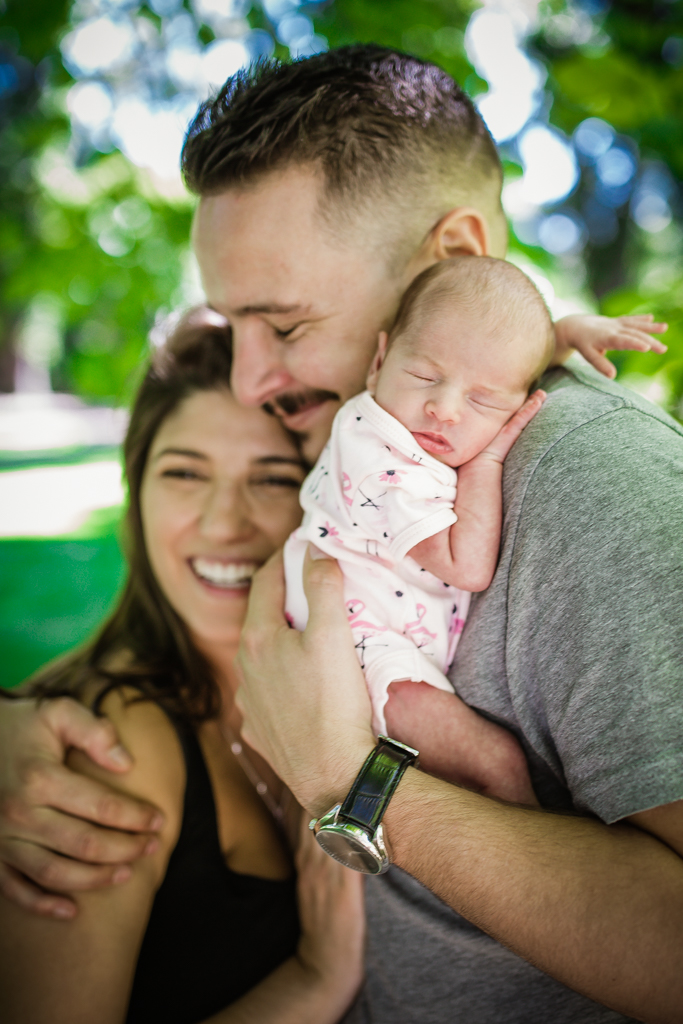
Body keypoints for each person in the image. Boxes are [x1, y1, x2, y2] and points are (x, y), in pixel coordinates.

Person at [1, 46, 681, 1023]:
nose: (249, 381)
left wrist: (354, 786)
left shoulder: (595, 490)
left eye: (280, 324)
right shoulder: (374, 442)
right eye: (234, 330)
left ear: (454, 256)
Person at [0, 309, 365, 1024]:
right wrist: (315, 981)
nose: (223, 522)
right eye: (184, 473)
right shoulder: (103, 751)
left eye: (271, 479)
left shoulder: (342, 684)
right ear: (136, 494)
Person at [284, 256, 551, 802]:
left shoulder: (414, 412)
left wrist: (567, 334)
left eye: (482, 400)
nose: (444, 408)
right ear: (378, 361)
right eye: (424, 376)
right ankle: (545, 864)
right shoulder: (380, 448)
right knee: (495, 762)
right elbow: (468, 566)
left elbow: (487, 348)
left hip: (377, 628)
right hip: (356, 644)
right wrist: (487, 460)